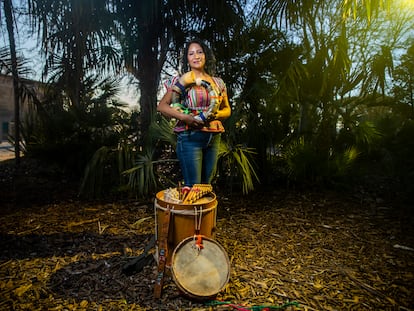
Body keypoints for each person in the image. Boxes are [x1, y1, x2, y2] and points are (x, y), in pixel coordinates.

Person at [157, 39, 231, 188]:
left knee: (205, 186)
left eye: (199, 52)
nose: (196, 56)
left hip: (214, 137)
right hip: (190, 136)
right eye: (191, 54)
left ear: (205, 55)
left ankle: (203, 212)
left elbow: (227, 110)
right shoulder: (181, 81)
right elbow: (162, 107)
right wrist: (185, 117)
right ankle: (190, 211)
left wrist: (211, 115)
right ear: (187, 59)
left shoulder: (218, 82)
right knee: (192, 187)